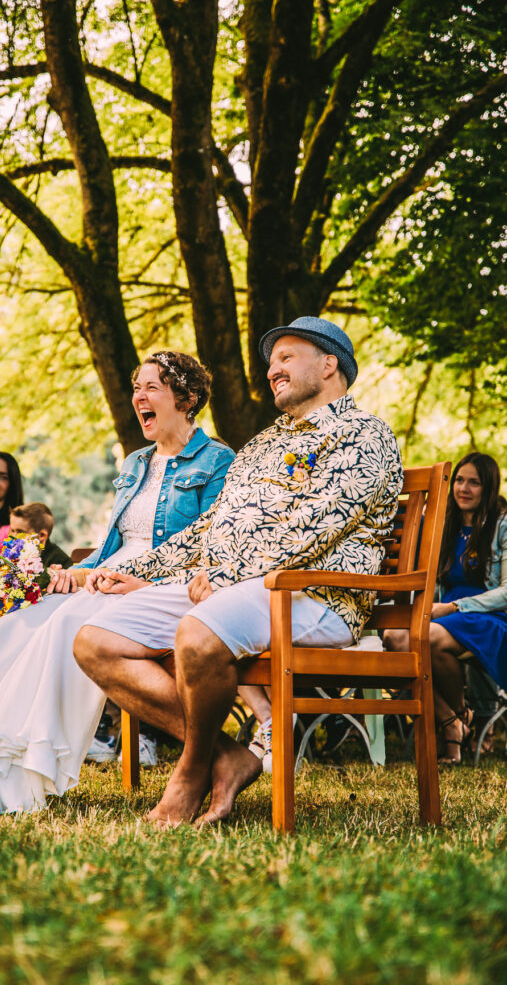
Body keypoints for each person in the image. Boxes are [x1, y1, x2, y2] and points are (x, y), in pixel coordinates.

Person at [73, 316, 403, 826]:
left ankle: (188, 774)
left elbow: (318, 524)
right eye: (271, 363)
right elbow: (210, 526)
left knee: (199, 634)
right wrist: (138, 568)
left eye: (286, 358)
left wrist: (227, 574)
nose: (273, 370)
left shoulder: (365, 435)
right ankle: (226, 757)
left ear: (329, 364)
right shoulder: (262, 445)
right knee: (95, 639)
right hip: (236, 588)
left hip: (317, 595)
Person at [0, 351, 234, 810]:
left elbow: (215, 549)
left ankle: (24, 776)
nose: (139, 397)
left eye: (152, 387)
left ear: (187, 398)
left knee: (63, 626)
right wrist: (76, 570)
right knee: (14, 626)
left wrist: (140, 585)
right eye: (136, 388)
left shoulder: (218, 460)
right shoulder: (135, 463)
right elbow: (115, 542)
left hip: (162, 590)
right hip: (108, 578)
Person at [384, 453, 507, 764]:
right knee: (393, 638)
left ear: (488, 488)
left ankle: (453, 728)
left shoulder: (502, 525)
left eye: (474, 483)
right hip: (441, 613)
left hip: (487, 615)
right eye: (459, 480)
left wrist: (454, 607)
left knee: (429, 639)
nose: (463, 488)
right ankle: (454, 718)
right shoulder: (441, 523)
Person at [9, 502, 71, 570]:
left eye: (20, 532)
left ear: (42, 535)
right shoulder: (13, 554)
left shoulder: (60, 561)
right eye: (12, 530)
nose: (13, 536)